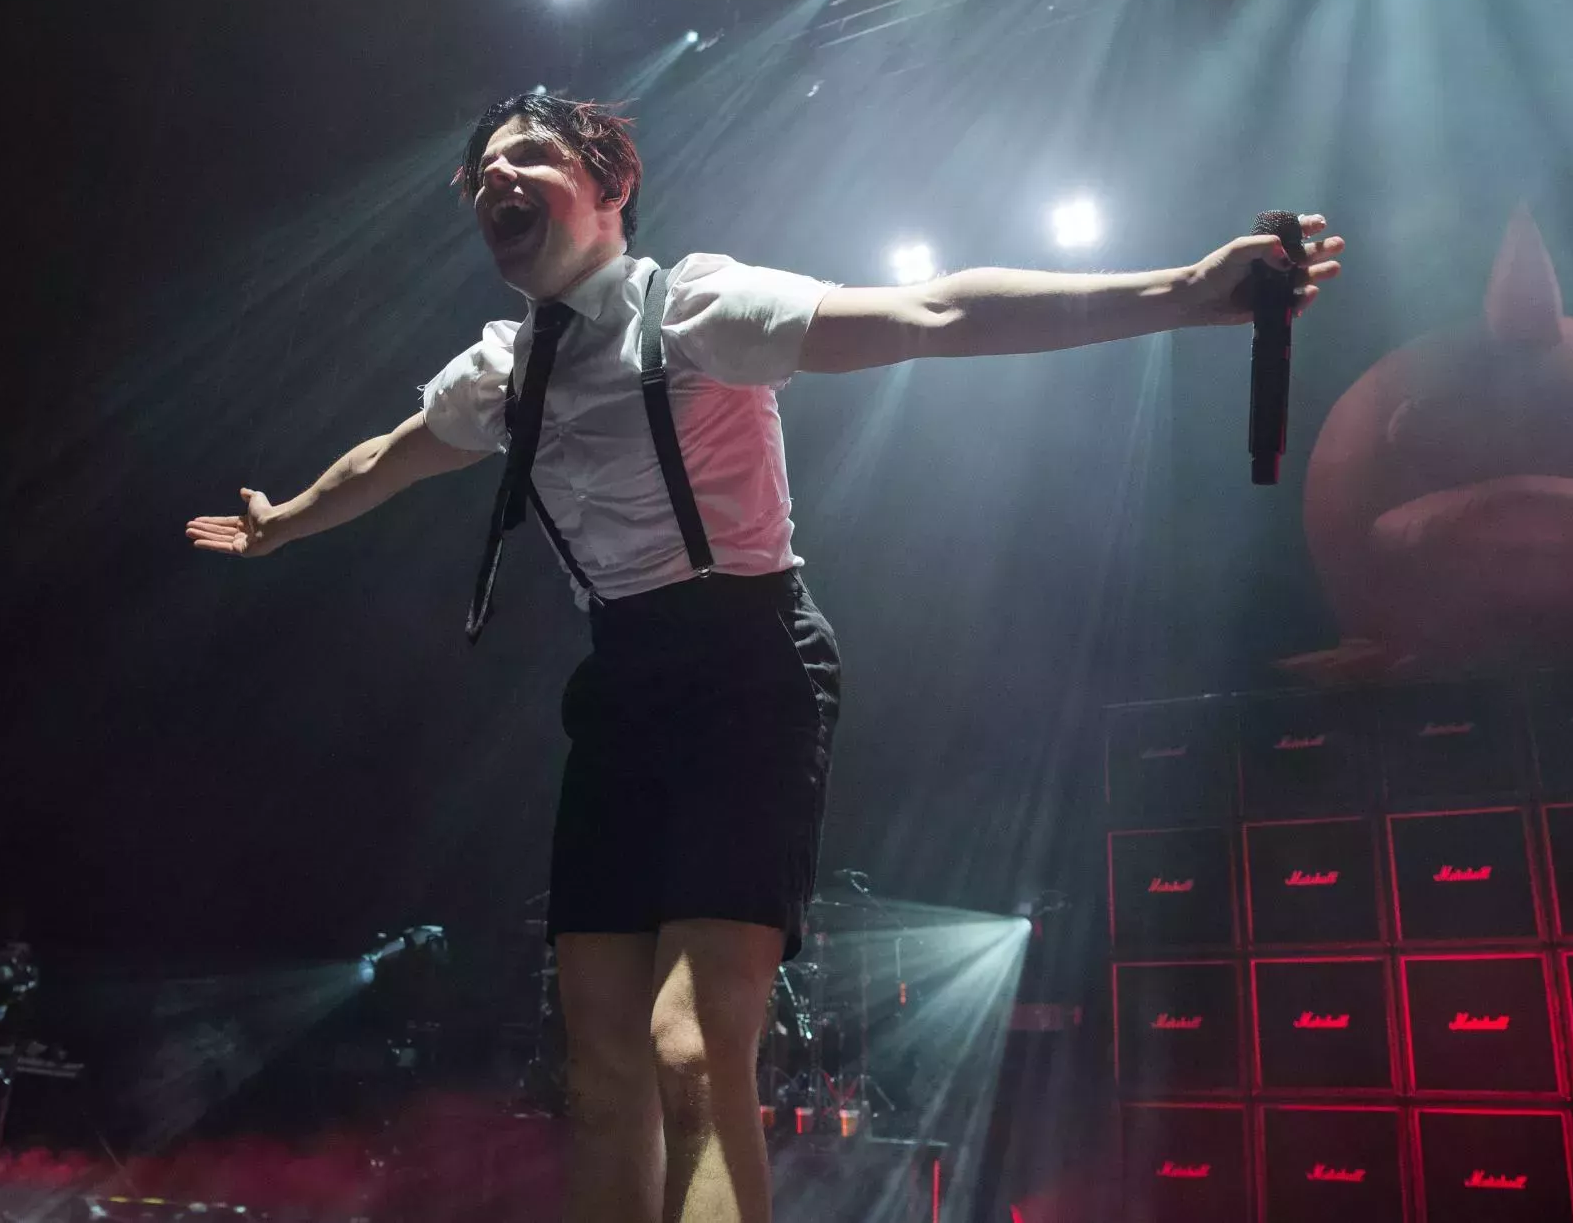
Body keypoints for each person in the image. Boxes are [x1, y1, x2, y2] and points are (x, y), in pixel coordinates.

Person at [186, 92, 1345, 1223]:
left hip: (750, 666)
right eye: (483, 170)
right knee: (598, 1069)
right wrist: (283, 517)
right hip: (621, 684)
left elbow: (934, 313)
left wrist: (1186, 294)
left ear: (610, 187)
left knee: (690, 1045)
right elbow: (390, 456)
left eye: (527, 155)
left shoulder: (695, 308)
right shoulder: (499, 371)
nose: (495, 178)